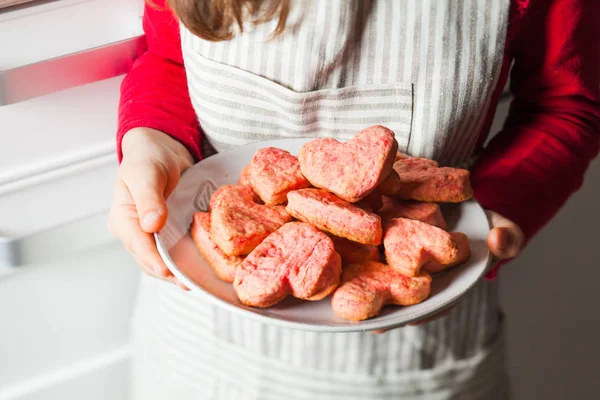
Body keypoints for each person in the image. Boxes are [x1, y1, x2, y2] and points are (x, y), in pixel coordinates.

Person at [108, 0, 600, 398]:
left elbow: (565, 104)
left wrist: (497, 211)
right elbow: (170, 56)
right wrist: (154, 138)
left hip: (410, 348)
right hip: (198, 336)